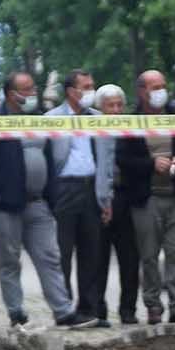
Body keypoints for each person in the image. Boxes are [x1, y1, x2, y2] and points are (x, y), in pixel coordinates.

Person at [0, 70, 89, 328]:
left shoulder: (37, 120)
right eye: (27, 89)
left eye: (33, 88)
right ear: (11, 94)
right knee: (10, 261)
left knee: (50, 257)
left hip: (38, 203)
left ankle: (63, 311)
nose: (33, 94)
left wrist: (52, 197)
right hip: (4, 206)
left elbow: (50, 158)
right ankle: (16, 312)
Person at [46, 68, 115, 327]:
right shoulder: (51, 119)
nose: (90, 92)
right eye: (85, 87)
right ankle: (64, 310)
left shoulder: (99, 119)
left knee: (92, 253)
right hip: (64, 189)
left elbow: (107, 161)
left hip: (91, 189)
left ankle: (90, 309)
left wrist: (107, 198)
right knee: (61, 253)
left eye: (91, 86)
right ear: (70, 91)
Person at [135, 69, 175, 323]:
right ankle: (153, 305)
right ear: (142, 91)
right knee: (149, 255)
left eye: (162, 86)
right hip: (147, 198)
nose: (159, 92)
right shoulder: (131, 120)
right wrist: (150, 163)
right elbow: (125, 158)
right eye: (154, 87)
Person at [98, 84, 150, 324]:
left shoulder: (132, 129)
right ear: (101, 108)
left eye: (120, 105)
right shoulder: (93, 129)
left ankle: (127, 309)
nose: (117, 110)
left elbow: (143, 162)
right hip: (100, 200)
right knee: (97, 258)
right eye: (111, 106)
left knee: (130, 259)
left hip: (128, 198)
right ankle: (97, 309)